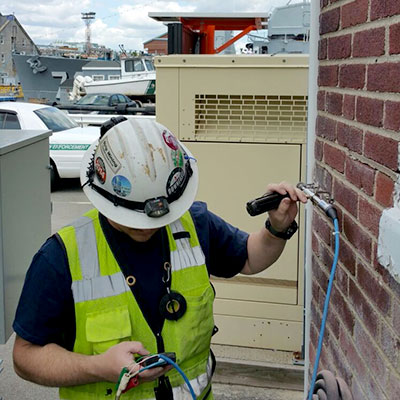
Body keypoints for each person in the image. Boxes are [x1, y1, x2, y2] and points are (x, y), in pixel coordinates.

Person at [12, 117, 307, 400]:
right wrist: (98, 367)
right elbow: (25, 357)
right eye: (134, 218)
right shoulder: (61, 256)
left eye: (159, 217)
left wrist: (276, 229)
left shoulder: (194, 223)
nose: (148, 227)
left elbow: (250, 258)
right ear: (103, 194)